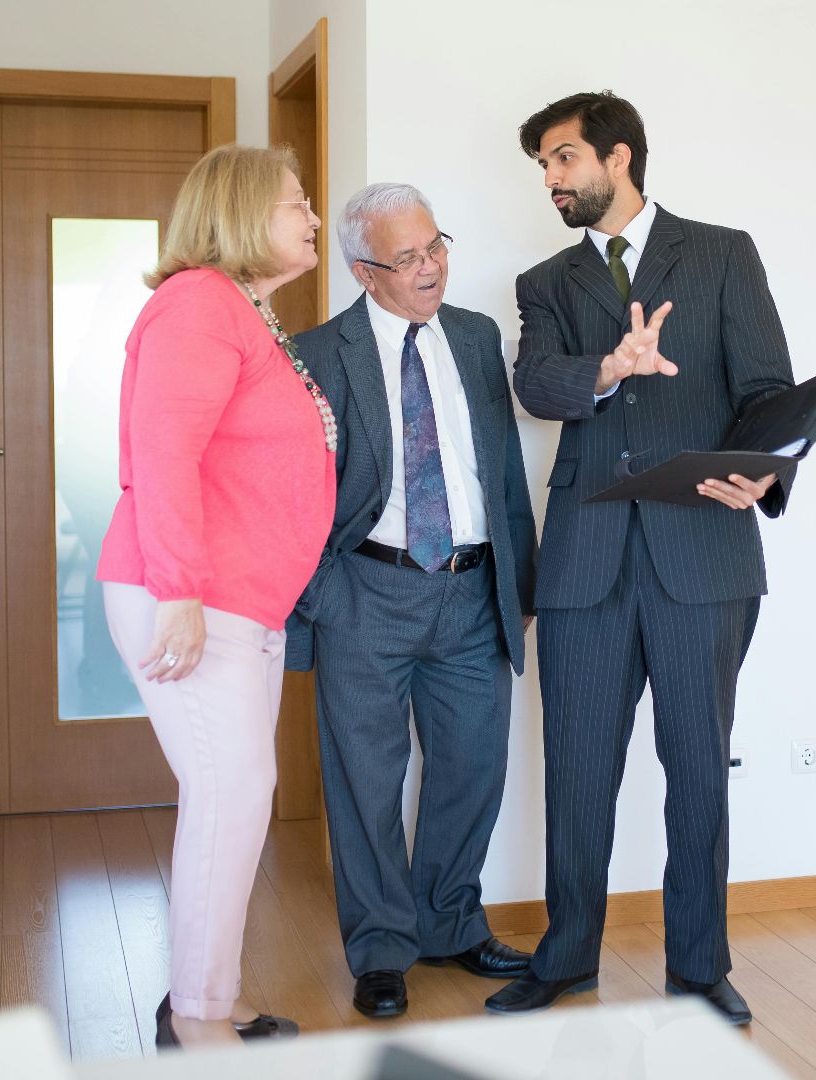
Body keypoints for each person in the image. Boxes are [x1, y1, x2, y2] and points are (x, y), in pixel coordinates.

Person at [485, 92, 796, 1025]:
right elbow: (535, 385)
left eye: (563, 158)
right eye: (542, 164)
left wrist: (760, 477)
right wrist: (612, 367)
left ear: (618, 158)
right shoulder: (545, 282)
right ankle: (568, 954)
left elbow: (769, 390)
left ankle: (699, 967)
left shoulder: (721, 253)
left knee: (699, 766)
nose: (550, 179)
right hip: (585, 558)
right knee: (578, 769)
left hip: (702, 551)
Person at [95, 143, 335, 1048]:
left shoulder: (247, 313)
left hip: (244, 601)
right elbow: (163, 457)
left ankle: (212, 993)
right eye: (295, 205)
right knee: (231, 794)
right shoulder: (198, 304)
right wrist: (182, 593)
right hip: (190, 595)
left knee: (236, 797)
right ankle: (195, 1022)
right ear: (239, 217)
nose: (312, 219)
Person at [287, 183, 538, 1019]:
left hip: (470, 588)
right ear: (364, 270)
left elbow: (500, 472)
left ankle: (449, 924)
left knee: (473, 764)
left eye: (436, 247)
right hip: (367, 590)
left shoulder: (474, 336)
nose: (430, 267)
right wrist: (321, 595)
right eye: (407, 258)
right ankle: (382, 947)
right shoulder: (320, 352)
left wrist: (518, 583)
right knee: (366, 778)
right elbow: (294, 493)